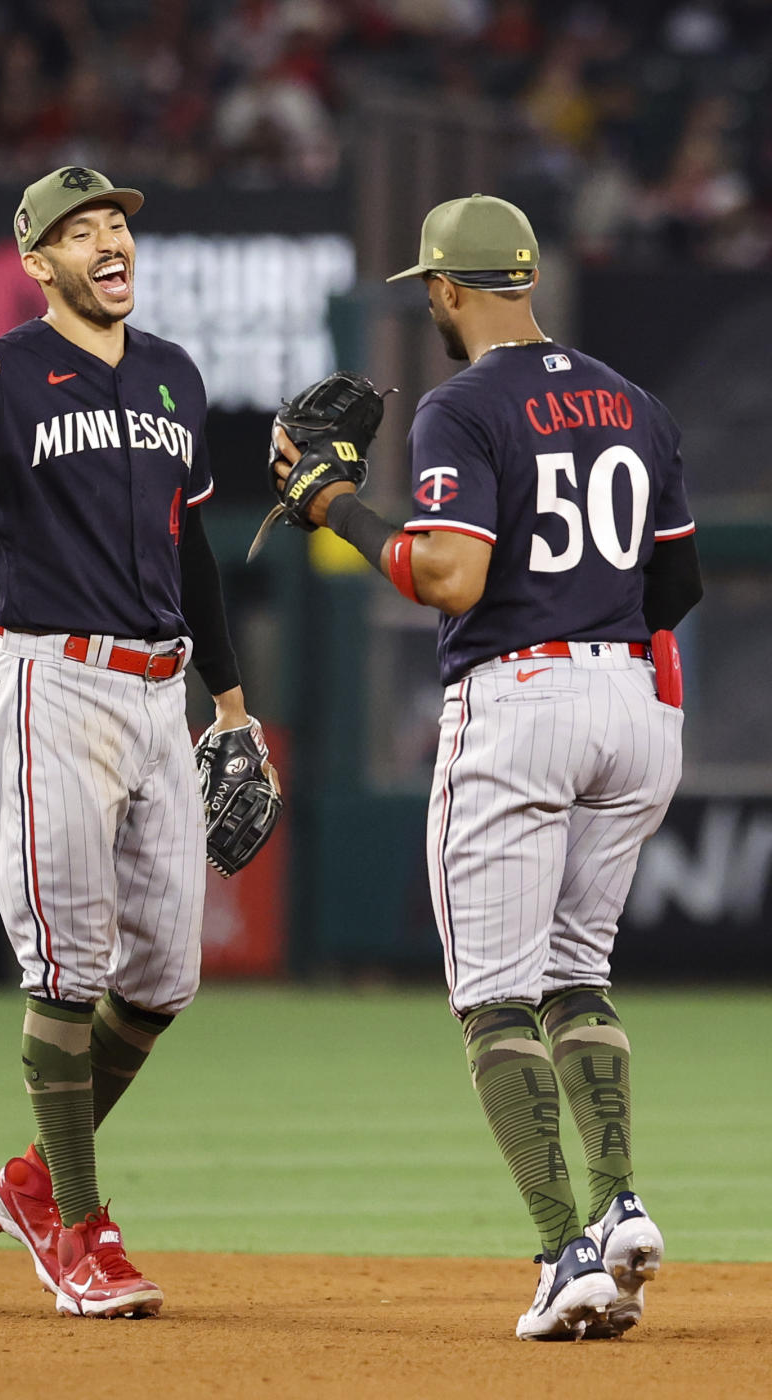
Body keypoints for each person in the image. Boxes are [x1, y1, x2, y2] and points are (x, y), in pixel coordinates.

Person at [0, 165, 274, 1319]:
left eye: (118, 223)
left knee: (167, 976)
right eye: (82, 231)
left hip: (161, 695)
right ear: (39, 263)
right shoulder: (0, 370)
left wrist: (232, 706)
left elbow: (192, 556)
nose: (109, 242)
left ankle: (32, 1180)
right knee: (68, 967)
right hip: (54, 684)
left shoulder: (176, 375)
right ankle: (82, 1229)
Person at [272, 194, 702, 1341]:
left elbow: (451, 575)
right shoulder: (637, 402)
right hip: (635, 701)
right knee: (582, 974)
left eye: (431, 292)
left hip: (521, 700)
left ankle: (567, 1254)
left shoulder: (463, 406)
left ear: (447, 291)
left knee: (493, 1000)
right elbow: (677, 589)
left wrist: (332, 508)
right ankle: (621, 1204)